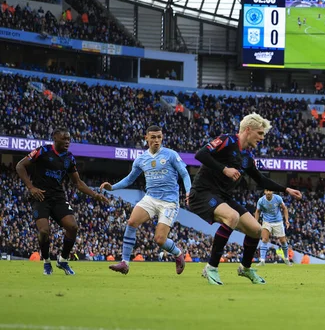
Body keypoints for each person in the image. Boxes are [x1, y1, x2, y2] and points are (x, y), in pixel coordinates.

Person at [187, 113, 303, 285]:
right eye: (260, 133)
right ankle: (211, 268)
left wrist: (286, 189)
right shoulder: (227, 140)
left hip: (223, 197)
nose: (262, 138)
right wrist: (224, 169)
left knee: (257, 230)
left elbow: (261, 179)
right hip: (202, 193)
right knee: (231, 217)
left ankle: (245, 268)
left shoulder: (247, 157)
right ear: (248, 130)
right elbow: (200, 154)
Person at [15, 127, 108, 275]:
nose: (67, 142)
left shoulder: (69, 158)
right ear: (55, 138)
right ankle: (46, 262)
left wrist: (95, 195)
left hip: (58, 197)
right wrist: (31, 187)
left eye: (69, 139)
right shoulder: (43, 151)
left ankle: (63, 260)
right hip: (40, 196)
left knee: (73, 227)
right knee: (44, 231)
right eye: (64, 139)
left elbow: (77, 183)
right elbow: (20, 166)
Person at [100, 125, 191, 275]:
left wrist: (188, 191)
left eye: (159, 137)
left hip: (169, 202)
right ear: (146, 138)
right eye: (153, 137)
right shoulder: (141, 159)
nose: (156, 140)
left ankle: (178, 253)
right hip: (150, 198)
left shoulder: (171, 155)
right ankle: (125, 262)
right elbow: (129, 179)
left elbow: (185, 174)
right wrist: (112, 187)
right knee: (131, 222)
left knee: (160, 240)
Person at [254, 190, 293, 266]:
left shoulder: (278, 198)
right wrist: (255, 222)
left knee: (282, 241)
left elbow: (284, 208)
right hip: (266, 221)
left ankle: (286, 259)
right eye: (267, 191)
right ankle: (262, 260)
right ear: (264, 192)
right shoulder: (261, 200)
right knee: (264, 239)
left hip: (278, 221)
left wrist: (287, 220)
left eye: (270, 191)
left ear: (272, 192)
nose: (268, 192)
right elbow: (257, 211)